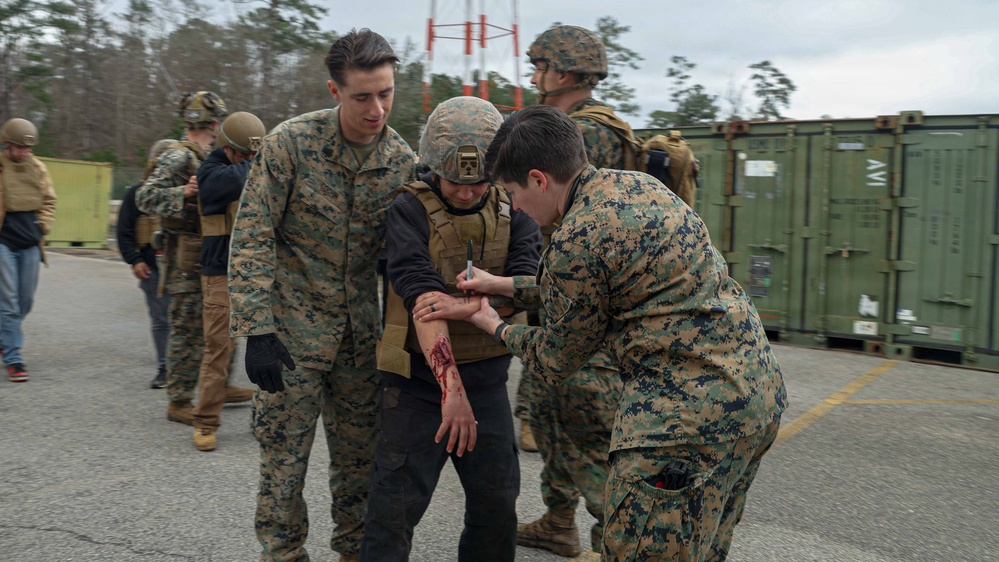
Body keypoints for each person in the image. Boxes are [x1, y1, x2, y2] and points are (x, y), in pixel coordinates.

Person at [448, 105, 787, 561]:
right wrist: (502, 285)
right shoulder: (638, 187)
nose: (516, 208)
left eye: (511, 193)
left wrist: (495, 324)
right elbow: (597, 285)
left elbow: (556, 357)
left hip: (682, 424)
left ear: (539, 179)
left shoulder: (575, 238)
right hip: (754, 397)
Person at [227, 28, 416, 562]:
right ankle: (284, 554)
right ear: (335, 92)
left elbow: (406, 259)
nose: (376, 108)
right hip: (290, 339)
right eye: (362, 97)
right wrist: (257, 328)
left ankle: (354, 552)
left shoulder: (402, 162)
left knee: (362, 467)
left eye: (386, 93)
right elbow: (253, 235)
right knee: (283, 466)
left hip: (361, 344)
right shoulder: (291, 144)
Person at [360, 96, 540, 561]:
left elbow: (527, 284)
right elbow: (421, 296)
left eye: (478, 182)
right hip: (418, 387)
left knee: (497, 505)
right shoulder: (409, 209)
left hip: (488, 383)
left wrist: (465, 305)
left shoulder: (513, 208)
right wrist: (450, 390)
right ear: (431, 167)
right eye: (453, 181)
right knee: (393, 510)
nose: (464, 193)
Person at [504, 23, 630, 558]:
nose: (534, 77)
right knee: (553, 418)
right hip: (564, 289)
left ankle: (617, 541)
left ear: (568, 74)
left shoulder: (584, 133)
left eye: (541, 68)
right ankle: (559, 521)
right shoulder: (588, 127)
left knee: (588, 431)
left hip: (586, 301)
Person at [136, 91, 254, 425]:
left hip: (213, 248)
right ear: (215, 123)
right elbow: (144, 197)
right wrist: (182, 193)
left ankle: (220, 386)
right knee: (187, 330)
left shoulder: (211, 156)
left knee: (224, 328)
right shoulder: (177, 156)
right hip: (186, 257)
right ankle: (179, 400)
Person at [191, 111, 266, 452]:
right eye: (244, 154)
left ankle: (265, 419)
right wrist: (262, 160)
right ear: (226, 147)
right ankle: (206, 422)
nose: (249, 160)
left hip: (258, 271)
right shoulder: (210, 172)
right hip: (220, 272)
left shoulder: (245, 165)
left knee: (267, 347)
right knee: (218, 350)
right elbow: (233, 181)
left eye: (253, 155)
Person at [0, 118, 57, 382]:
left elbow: (49, 201)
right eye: (19, 148)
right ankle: (14, 357)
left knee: (26, 300)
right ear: (7, 144)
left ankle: (4, 336)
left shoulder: (38, 168)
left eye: (27, 148)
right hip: (3, 243)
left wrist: (42, 227)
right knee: (9, 301)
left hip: (30, 243)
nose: (24, 152)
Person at [116, 138, 175, 389]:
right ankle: (165, 367)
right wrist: (135, 260)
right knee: (161, 318)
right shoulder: (137, 194)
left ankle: (185, 367)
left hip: (181, 266)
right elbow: (124, 230)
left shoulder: (187, 193)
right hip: (151, 266)